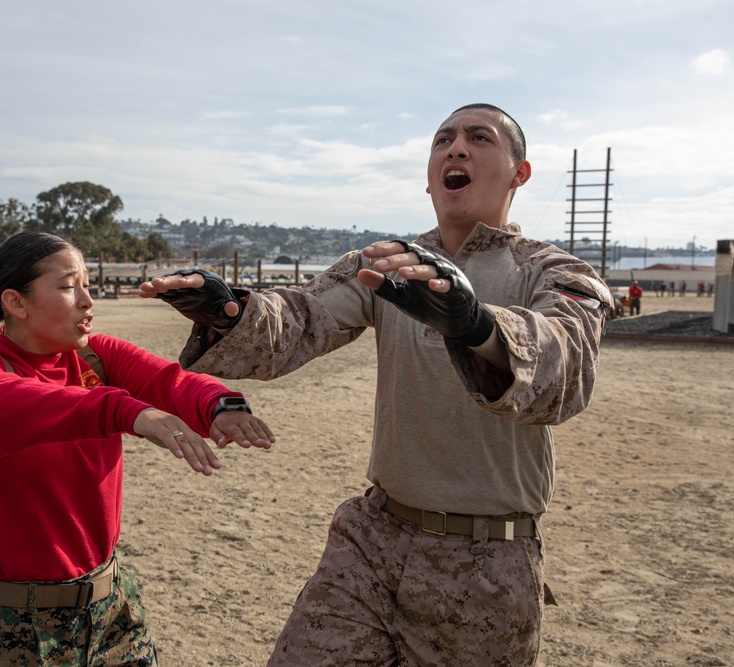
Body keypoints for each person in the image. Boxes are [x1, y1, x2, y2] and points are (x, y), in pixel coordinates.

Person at [140, 103, 611, 666]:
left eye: (478, 138)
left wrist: (477, 324)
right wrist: (230, 312)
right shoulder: (388, 265)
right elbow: (299, 319)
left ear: (520, 172)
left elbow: (567, 360)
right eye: (443, 140)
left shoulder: (554, 271)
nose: (455, 148)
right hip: (371, 539)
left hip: (487, 562)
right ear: (429, 175)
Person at [0, 231, 276, 666]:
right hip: (11, 623)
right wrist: (124, 410)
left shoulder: (96, 357)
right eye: (66, 287)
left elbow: (168, 381)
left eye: (86, 285)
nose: (86, 301)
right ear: (16, 303)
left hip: (112, 607)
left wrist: (219, 406)